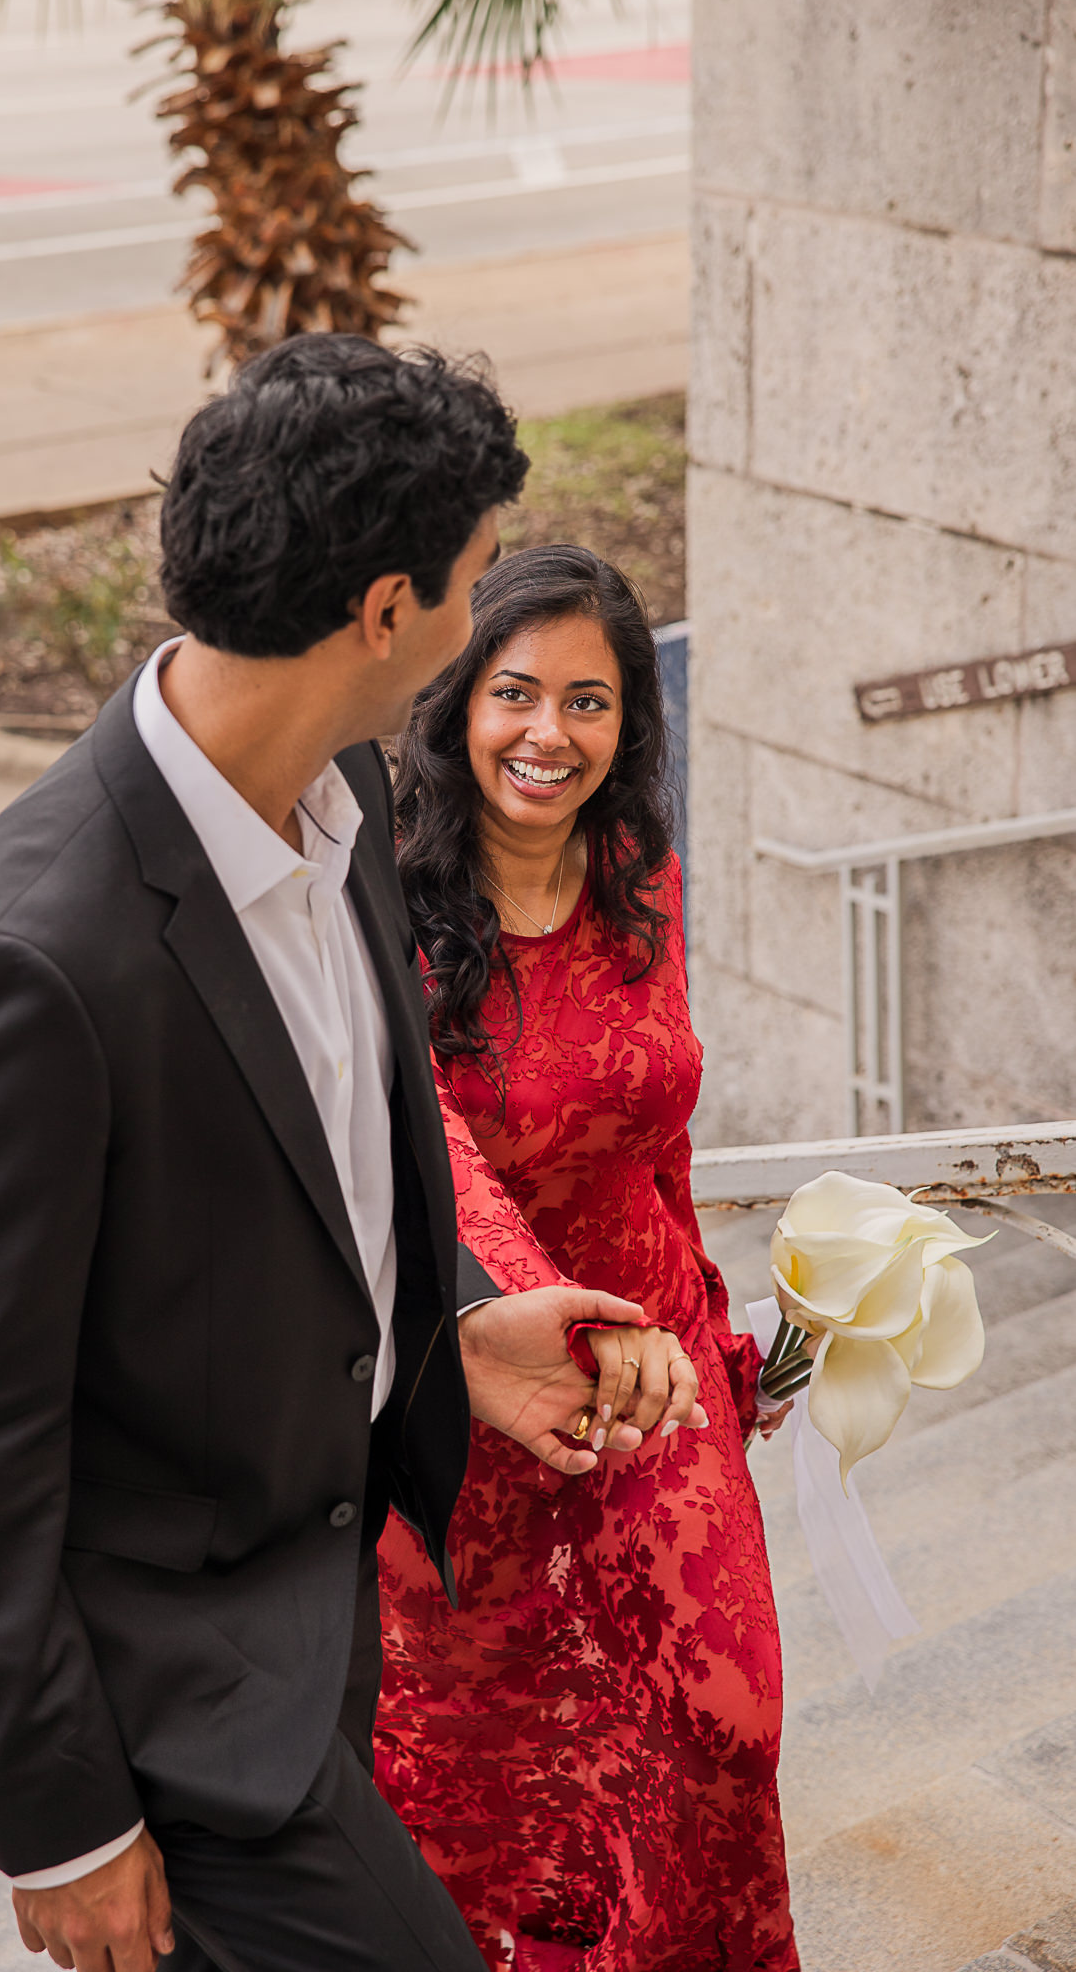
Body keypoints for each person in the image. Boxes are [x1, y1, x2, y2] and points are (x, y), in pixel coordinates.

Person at [0, 340, 704, 1972]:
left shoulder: (341, 799)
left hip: (321, 1615)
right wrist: (60, 1820)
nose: (475, 626)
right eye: (467, 587)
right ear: (386, 612)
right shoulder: (22, 960)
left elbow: (309, 1176)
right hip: (162, 1692)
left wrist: (455, 1325)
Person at [375, 544, 799, 1972]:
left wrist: (720, 1340)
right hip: (476, 1389)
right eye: (512, 693)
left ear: (629, 725)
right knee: (503, 1797)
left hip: (657, 1372)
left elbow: (657, 1139)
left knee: (719, 1727)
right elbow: (419, 1144)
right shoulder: (379, 902)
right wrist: (550, 1320)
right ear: (455, 703)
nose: (547, 733)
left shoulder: (637, 872)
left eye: (588, 701)